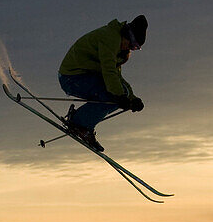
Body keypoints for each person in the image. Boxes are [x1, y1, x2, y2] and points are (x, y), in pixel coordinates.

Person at [58, 15, 147, 151]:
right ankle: (79, 123)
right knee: (111, 97)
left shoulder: (118, 47)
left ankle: (82, 123)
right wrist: (120, 97)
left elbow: (116, 77)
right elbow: (109, 71)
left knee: (117, 95)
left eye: (136, 48)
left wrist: (132, 98)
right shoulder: (110, 39)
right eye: (133, 45)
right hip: (72, 77)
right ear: (127, 36)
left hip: (82, 76)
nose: (131, 49)